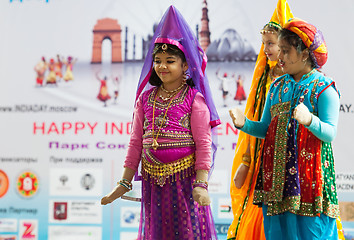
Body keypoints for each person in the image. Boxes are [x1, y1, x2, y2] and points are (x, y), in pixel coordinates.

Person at [101, 6, 220, 240]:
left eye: (170, 61)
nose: (162, 66)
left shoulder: (194, 99)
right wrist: (124, 182)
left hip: (185, 185)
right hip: (153, 184)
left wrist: (201, 185)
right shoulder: (145, 99)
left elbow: (204, 145)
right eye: (157, 60)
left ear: (185, 65)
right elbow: (136, 143)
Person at [229, 17, 340, 240]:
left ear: (305, 53)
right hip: (276, 179)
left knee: (312, 232)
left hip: (309, 179)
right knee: (277, 233)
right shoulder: (277, 87)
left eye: (286, 51)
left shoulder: (324, 88)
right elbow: (265, 129)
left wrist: (310, 120)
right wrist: (245, 124)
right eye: (279, 50)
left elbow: (330, 133)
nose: (279, 56)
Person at [227, 1, 291, 239]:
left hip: (292, 153)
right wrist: (245, 160)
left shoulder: (300, 79)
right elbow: (254, 119)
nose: (266, 49)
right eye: (264, 44)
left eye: (271, 44)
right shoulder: (263, 76)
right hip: (263, 154)